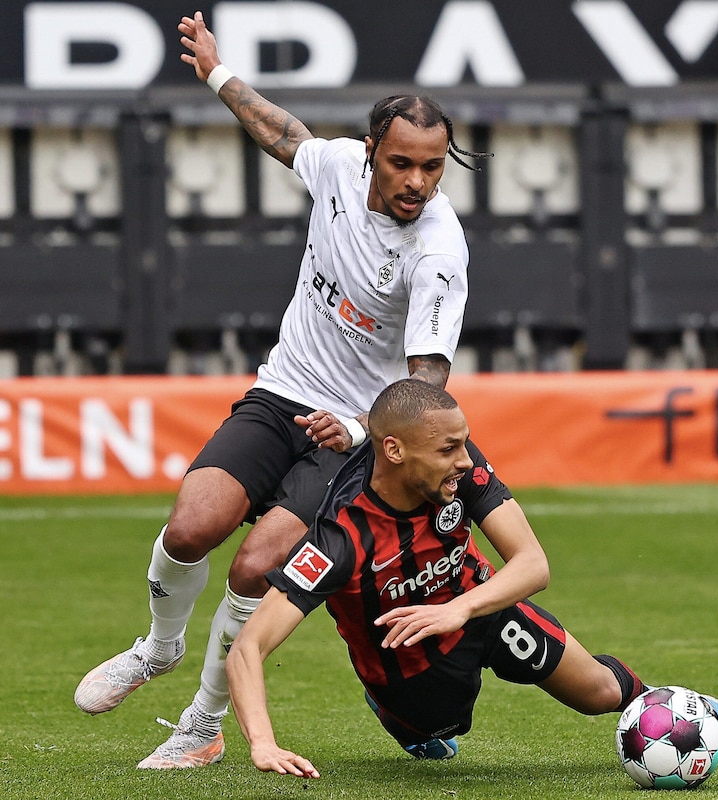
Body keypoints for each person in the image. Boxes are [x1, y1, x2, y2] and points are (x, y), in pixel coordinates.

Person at [74, 10, 491, 769]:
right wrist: (216, 73)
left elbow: (428, 380)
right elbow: (283, 134)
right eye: (403, 164)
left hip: (354, 436)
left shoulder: (438, 250)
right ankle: (159, 648)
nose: (419, 183)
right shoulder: (337, 167)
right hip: (282, 392)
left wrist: (368, 435)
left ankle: (202, 725)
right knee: (190, 529)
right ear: (372, 154)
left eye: (432, 168)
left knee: (253, 567)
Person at [225, 379, 718, 777]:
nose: (467, 460)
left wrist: (461, 607)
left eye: (466, 443)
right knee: (436, 728)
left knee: (600, 692)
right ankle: (392, 714)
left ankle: (673, 708)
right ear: (395, 451)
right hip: (409, 669)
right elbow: (248, 647)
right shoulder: (339, 538)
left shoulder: (463, 473)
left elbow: (532, 564)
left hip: (483, 610)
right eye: (449, 448)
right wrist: (263, 743)